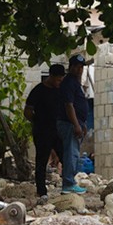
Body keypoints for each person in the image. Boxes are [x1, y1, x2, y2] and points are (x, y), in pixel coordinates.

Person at [24, 65, 67, 199]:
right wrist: (38, 122)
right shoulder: (38, 91)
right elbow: (28, 111)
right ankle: (41, 191)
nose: (59, 83)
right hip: (42, 131)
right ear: (51, 76)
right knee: (42, 161)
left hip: (58, 131)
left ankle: (67, 187)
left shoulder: (60, 90)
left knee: (66, 158)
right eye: (58, 80)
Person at [58, 53, 91, 193]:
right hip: (69, 124)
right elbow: (69, 105)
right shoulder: (69, 82)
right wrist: (76, 125)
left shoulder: (75, 83)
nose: (79, 70)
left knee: (74, 154)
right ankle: (68, 184)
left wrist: (82, 124)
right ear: (71, 67)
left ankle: (70, 181)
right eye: (77, 67)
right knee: (71, 154)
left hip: (77, 123)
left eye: (81, 67)